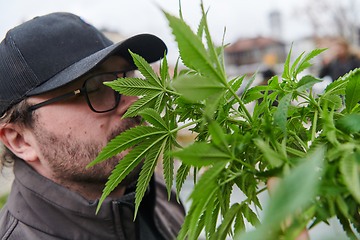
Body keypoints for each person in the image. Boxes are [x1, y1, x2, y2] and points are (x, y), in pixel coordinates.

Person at [0, 12, 185, 239]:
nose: (134, 102)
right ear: (19, 140)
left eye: (130, 78)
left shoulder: (158, 194)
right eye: (94, 87)